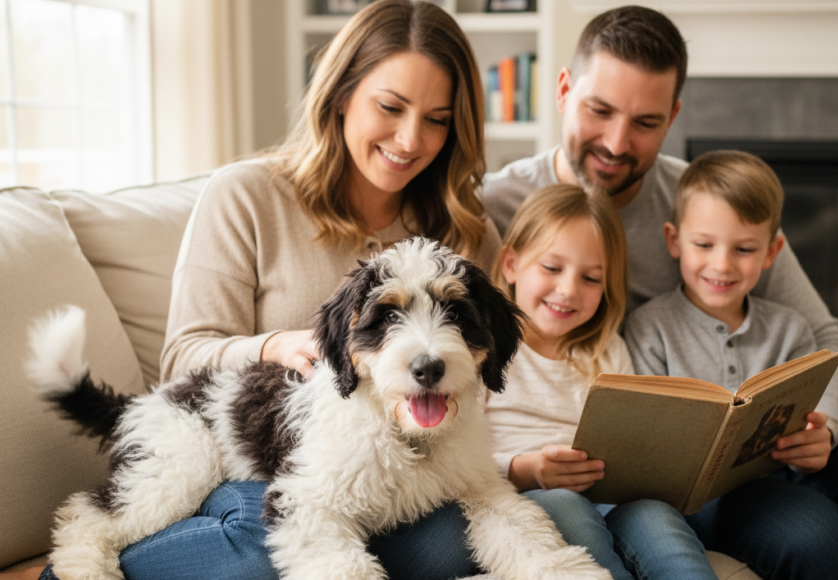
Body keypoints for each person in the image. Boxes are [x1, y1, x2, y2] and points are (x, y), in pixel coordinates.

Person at [3, 2, 506, 580]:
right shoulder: (245, 195)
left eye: (437, 118)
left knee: (475, 529)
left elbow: (481, 371)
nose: (410, 138)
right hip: (253, 463)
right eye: (390, 106)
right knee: (258, 527)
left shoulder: (465, 231)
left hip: (401, 473)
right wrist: (272, 346)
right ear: (341, 93)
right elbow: (182, 357)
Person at [479, 5, 838, 447]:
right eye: (600, 110)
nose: (616, 143)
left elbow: (823, 336)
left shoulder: (707, 206)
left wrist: (827, 426)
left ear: (672, 118)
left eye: (645, 123)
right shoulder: (495, 205)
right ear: (563, 90)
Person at [622, 150, 838, 579]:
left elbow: (808, 414)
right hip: (695, 502)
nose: (721, 264)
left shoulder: (791, 329)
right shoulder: (650, 328)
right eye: (703, 245)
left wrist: (820, 435)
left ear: (772, 251)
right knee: (820, 539)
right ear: (673, 240)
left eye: (743, 249)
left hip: (776, 478)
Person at [486, 183, 719, 580]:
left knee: (662, 524)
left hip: (612, 497)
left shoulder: (606, 350)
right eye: (552, 267)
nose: (568, 290)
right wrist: (529, 469)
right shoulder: (482, 349)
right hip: (521, 495)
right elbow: (454, 462)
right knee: (567, 509)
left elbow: (635, 440)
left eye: (591, 278)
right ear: (511, 263)